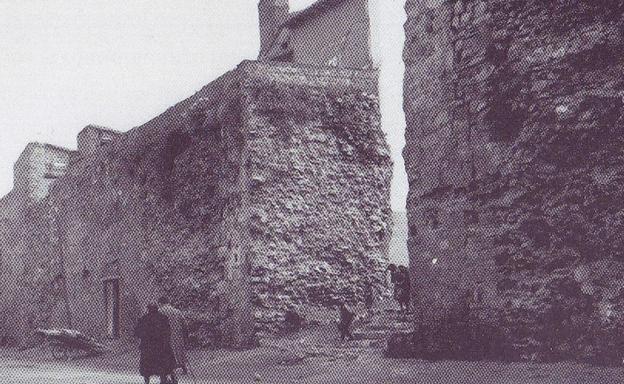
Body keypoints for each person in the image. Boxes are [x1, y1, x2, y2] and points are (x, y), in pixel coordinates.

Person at [134, 303, 177, 384]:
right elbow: (168, 332)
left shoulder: (144, 319)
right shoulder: (163, 318)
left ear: (148, 309)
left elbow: (137, 332)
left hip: (148, 347)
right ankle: (163, 380)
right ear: (157, 309)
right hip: (161, 347)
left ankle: (147, 381)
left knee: (147, 367)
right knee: (162, 365)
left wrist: (145, 336)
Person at [158, 296, 189, 375]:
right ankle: (183, 368)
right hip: (177, 336)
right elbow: (185, 324)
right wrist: (185, 336)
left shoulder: (159, 312)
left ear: (160, 303)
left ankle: (170, 371)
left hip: (165, 337)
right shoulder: (177, 311)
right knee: (179, 352)